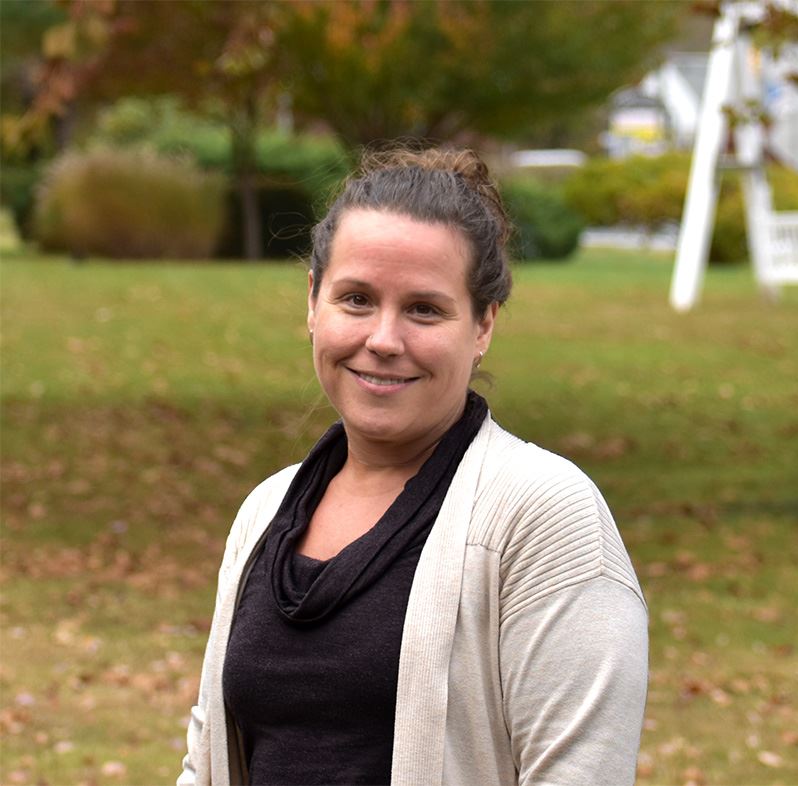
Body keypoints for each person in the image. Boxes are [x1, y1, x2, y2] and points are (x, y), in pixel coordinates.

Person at [178, 146, 648, 786]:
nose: (383, 340)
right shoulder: (266, 511)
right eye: (356, 299)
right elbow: (206, 762)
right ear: (313, 301)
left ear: (483, 324)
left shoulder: (544, 517)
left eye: (424, 309)